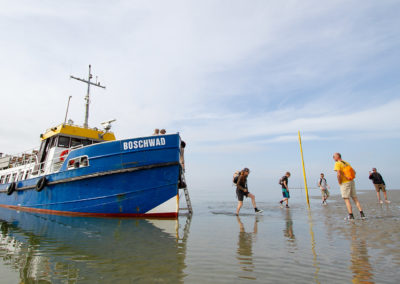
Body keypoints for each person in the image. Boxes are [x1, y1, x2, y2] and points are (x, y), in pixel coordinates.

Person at [333, 153, 365, 220]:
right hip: (351, 181)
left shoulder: (338, 163)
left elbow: (338, 174)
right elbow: (354, 172)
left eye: (334, 157)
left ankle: (351, 215)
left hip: (345, 182)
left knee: (346, 199)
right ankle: (362, 214)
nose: (333, 158)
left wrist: (339, 182)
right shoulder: (346, 163)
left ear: (337, 157)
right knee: (355, 198)